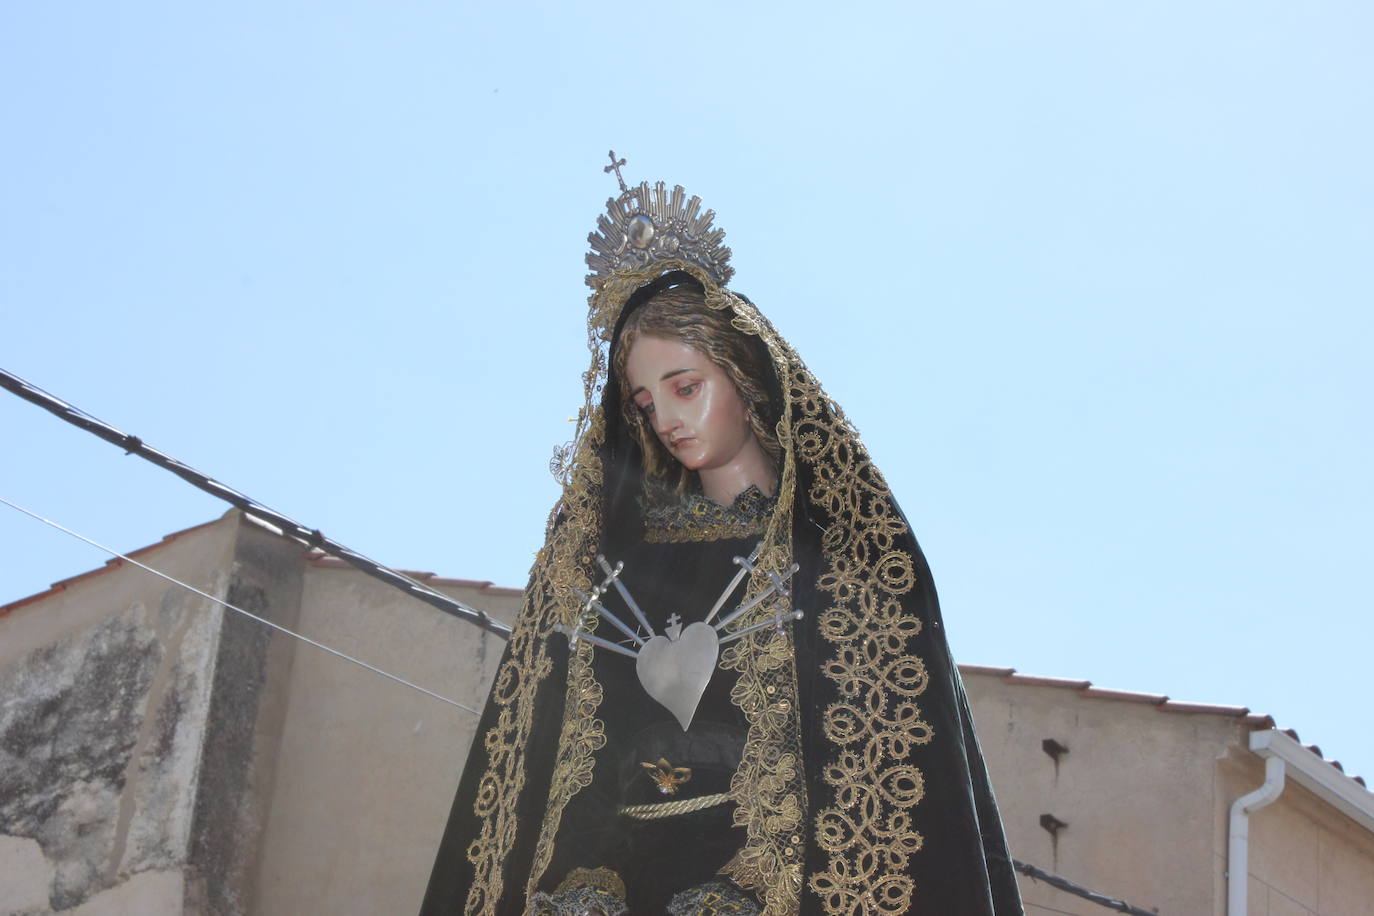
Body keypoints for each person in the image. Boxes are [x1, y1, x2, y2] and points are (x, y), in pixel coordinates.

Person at [422, 161, 1023, 915]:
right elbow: (559, 764)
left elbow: (888, 778)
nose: (666, 418)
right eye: (645, 402)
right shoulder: (608, 570)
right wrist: (583, 879)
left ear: (744, 375)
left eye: (685, 386)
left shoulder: (846, 558)